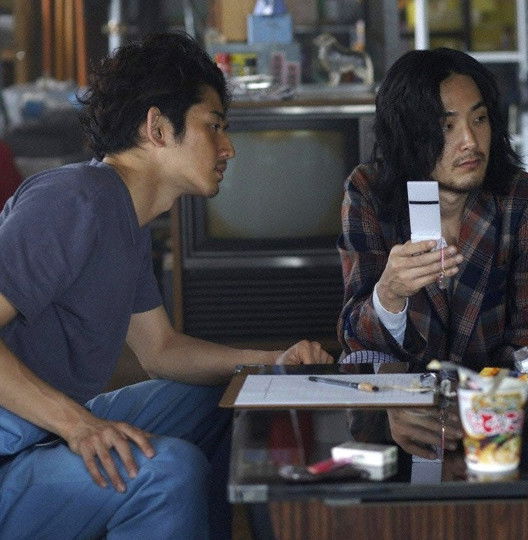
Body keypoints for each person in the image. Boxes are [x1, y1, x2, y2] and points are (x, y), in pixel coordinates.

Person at [0, 32, 333, 539]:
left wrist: (270, 363)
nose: (228, 148)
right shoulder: (74, 202)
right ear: (157, 127)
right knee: (168, 472)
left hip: (42, 431)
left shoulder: (124, 219)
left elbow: (161, 351)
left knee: (232, 395)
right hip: (14, 451)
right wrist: (78, 426)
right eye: (214, 126)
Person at [337, 47, 528, 380]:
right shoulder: (369, 191)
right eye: (447, 126)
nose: (470, 141)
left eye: (479, 119)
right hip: (398, 401)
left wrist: (489, 395)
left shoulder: (522, 200)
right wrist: (389, 294)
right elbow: (357, 342)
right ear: (407, 135)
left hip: (495, 402)